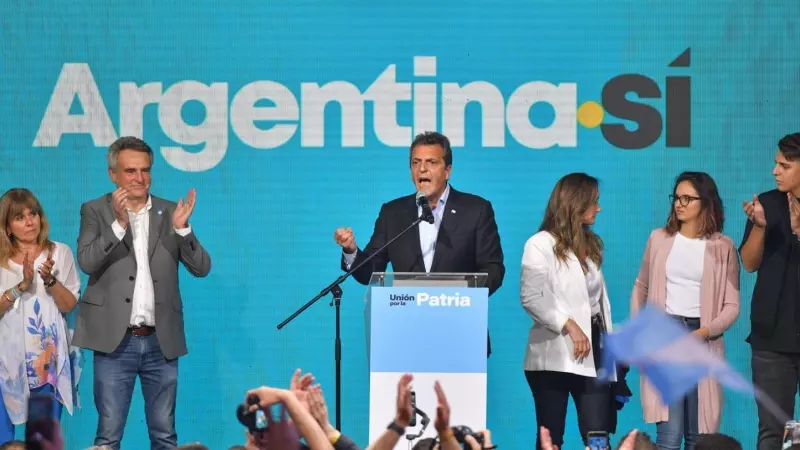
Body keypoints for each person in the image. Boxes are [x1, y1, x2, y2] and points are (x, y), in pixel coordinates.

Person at [71, 136, 212, 450]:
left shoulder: (170, 212)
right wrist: (119, 225)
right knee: (107, 437)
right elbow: (86, 261)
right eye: (130, 171)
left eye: (145, 170)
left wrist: (183, 230)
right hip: (113, 342)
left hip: (160, 342)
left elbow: (202, 268)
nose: (139, 178)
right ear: (113, 175)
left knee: (165, 436)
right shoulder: (94, 210)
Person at [333, 131, 505, 355]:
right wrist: (351, 250)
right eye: (416, 163)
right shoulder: (393, 213)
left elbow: (493, 269)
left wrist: (460, 297)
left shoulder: (476, 210)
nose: (422, 169)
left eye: (431, 162)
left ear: (447, 170)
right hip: (404, 335)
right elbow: (370, 272)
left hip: (461, 333)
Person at [631, 171, 740, 450]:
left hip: (702, 340)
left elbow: (731, 306)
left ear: (706, 202)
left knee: (698, 437)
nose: (679, 204)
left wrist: (704, 332)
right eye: (676, 197)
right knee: (668, 437)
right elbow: (640, 287)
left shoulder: (723, 247)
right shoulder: (659, 238)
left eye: (687, 198)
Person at [520, 173, 617, 449]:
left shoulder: (591, 244)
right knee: (551, 438)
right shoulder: (539, 244)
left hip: (594, 351)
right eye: (593, 202)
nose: (598, 208)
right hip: (554, 357)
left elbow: (597, 303)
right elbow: (531, 297)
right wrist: (570, 325)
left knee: (598, 436)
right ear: (575, 204)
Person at [0, 189, 80, 445]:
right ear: (7, 227)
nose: (29, 221)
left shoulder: (60, 253)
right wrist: (21, 286)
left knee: (43, 441)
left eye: (32, 214)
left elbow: (68, 305)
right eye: (20, 217)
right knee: (4, 439)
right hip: (5, 364)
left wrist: (49, 280)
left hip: (46, 363)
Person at [739, 132, 800, 450]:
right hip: (772, 341)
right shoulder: (767, 205)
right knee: (774, 431)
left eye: (784, 165)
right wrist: (761, 227)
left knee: (798, 436)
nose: (775, 171)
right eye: (776, 164)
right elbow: (749, 263)